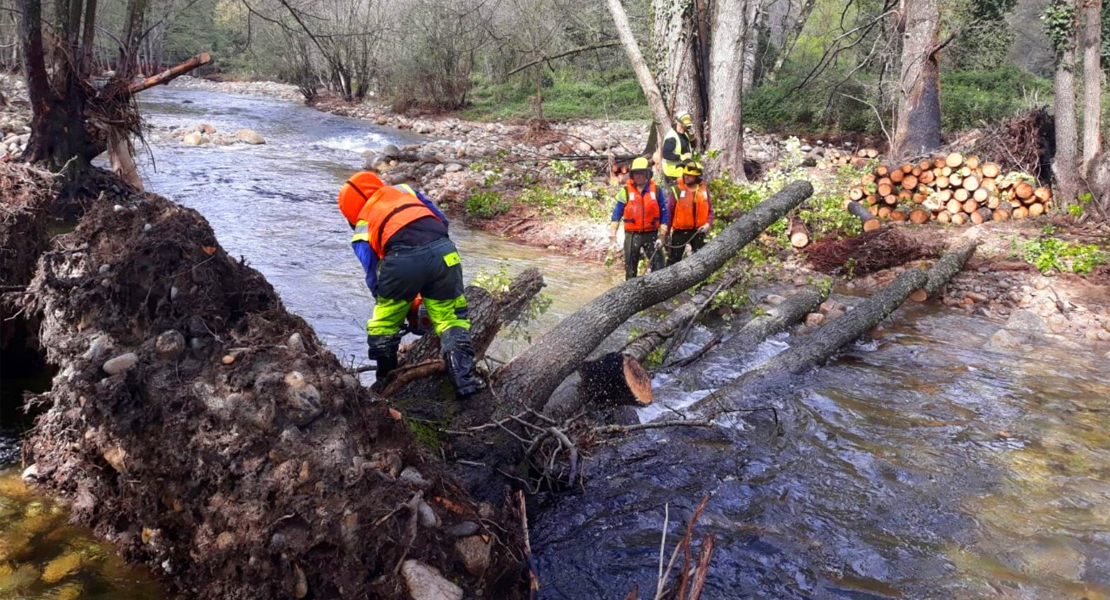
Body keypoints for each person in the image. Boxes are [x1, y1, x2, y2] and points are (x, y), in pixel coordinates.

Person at [337, 171, 485, 397]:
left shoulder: (362, 226)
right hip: (444, 250)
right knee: (451, 318)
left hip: (400, 260)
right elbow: (441, 220)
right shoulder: (404, 190)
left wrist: (401, 303)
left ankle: (386, 383)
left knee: (384, 323)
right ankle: (464, 382)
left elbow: (374, 278)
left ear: (350, 212)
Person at [609, 157, 669, 280]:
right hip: (632, 235)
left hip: (651, 234)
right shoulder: (625, 191)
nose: (639, 176)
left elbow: (664, 213)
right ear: (632, 175)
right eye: (636, 173)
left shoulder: (657, 191)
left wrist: (662, 235)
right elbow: (616, 214)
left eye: (642, 173)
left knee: (659, 264)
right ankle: (630, 293)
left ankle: (658, 291)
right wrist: (613, 236)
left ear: (647, 174)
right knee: (630, 267)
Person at [666, 161, 714, 266]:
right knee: (674, 259)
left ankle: (701, 280)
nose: (687, 177)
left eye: (690, 176)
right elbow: (669, 213)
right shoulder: (677, 190)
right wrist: (665, 233)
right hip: (680, 232)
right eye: (686, 175)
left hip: (699, 231)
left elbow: (710, 211)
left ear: (696, 177)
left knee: (701, 259)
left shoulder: (703, 190)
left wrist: (707, 224)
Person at [661, 112, 695, 184]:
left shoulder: (684, 134)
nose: (683, 129)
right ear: (676, 123)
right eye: (681, 126)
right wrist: (681, 157)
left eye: (685, 127)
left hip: (682, 171)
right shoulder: (671, 137)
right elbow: (666, 154)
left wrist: (692, 141)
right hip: (673, 173)